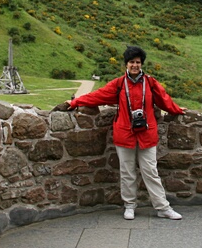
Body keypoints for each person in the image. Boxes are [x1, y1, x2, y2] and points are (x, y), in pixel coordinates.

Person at [64, 45, 186, 220]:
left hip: (146, 133)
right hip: (124, 134)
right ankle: (129, 206)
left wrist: (177, 110)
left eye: (137, 62)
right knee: (127, 171)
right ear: (126, 64)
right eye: (131, 62)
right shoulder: (119, 84)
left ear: (141, 64)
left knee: (150, 171)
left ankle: (163, 207)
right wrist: (76, 102)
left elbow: (164, 99)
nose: (135, 65)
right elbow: (98, 95)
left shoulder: (150, 83)